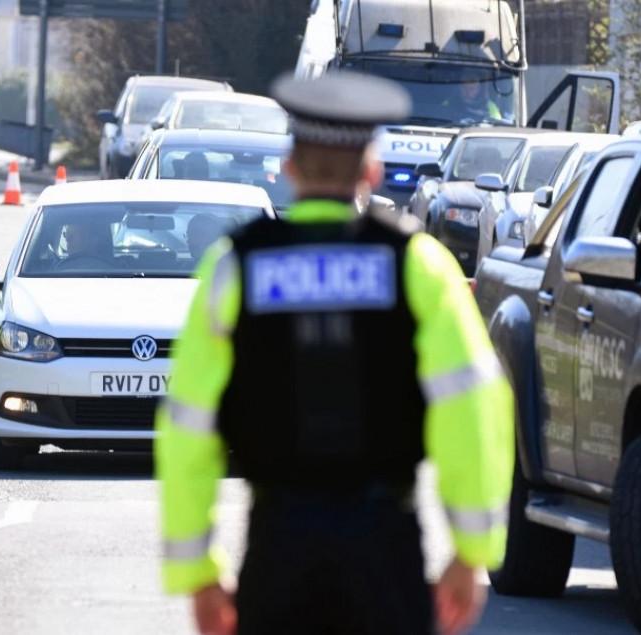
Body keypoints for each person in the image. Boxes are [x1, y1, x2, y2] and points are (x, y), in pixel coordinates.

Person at [155, 71, 514, 635]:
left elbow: (187, 426)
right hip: (385, 547)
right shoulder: (417, 264)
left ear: (290, 167)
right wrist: (472, 551)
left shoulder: (235, 266)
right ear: (370, 170)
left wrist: (197, 571)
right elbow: (473, 410)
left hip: (278, 545)